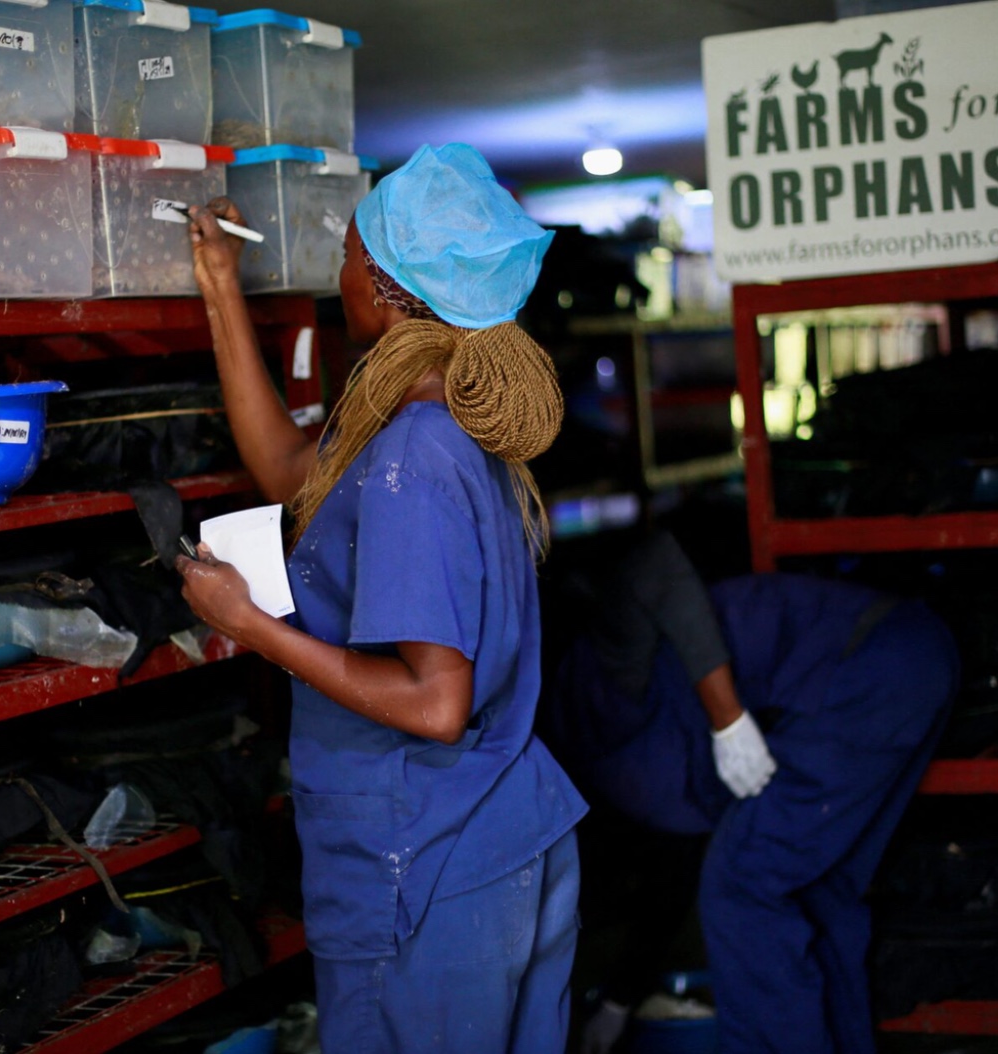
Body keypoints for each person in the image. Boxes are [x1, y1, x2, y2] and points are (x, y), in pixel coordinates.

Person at [173, 143, 589, 1054]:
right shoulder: (443, 422)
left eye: (349, 254)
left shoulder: (409, 456)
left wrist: (247, 624)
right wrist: (219, 284)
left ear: (388, 289)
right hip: (499, 838)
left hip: (430, 868)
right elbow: (289, 470)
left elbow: (436, 706)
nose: (340, 274)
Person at [542, 532, 958, 1054]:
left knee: (743, 885)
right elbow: (673, 876)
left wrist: (728, 719)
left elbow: (654, 558)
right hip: (909, 665)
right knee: (814, 892)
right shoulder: (612, 787)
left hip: (868, 665)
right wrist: (619, 1000)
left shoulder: (589, 690)